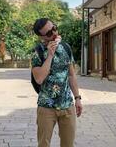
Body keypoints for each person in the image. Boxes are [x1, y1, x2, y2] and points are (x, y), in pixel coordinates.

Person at [31, 18, 83, 147]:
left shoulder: (65, 47)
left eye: (54, 28)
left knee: (68, 144)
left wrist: (77, 98)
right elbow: (39, 79)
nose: (54, 33)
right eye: (49, 33)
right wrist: (49, 55)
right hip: (46, 106)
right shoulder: (37, 51)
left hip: (67, 105)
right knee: (44, 144)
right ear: (41, 37)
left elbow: (71, 75)